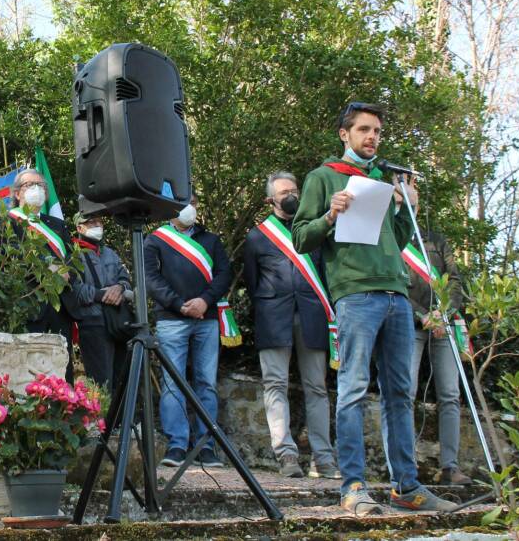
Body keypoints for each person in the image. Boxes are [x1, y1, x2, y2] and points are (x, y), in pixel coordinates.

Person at [291, 101, 456, 515]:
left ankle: (407, 487)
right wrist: (330, 214)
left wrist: (406, 208)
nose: (372, 137)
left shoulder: (383, 180)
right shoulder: (323, 176)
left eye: (378, 131)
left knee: (400, 392)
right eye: (364, 129)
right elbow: (300, 238)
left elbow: (397, 241)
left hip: (396, 294)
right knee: (352, 389)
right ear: (344, 134)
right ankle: (353, 486)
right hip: (355, 295)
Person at [243, 172, 338, 479]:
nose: (292, 196)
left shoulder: (314, 232)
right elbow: (252, 281)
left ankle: (323, 458)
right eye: (285, 191)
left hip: (312, 316)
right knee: (275, 385)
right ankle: (286, 455)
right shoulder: (257, 237)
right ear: (270, 199)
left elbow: (325, 274)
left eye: (294, 190)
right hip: (274, 319)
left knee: (317, 388)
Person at [145, 195, 231, 469]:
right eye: (183, 201)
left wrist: (205, 300)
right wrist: (178, 304)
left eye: (193, 200)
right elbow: (150, 279)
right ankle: (177, 444)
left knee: (206, 382)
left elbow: (223, 275)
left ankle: (206, 445)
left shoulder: (211, 240)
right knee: (173, 383)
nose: (188, 207)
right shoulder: (155, 240)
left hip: (206, 318)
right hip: (171, 319)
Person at [382, 230, 472, 486]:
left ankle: (450, 467)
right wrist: (423, 314)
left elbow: (454, 279)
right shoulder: (389, 236)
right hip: (409, 324)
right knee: (405, 393)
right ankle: (405, 467)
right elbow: (392, 283)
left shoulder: (436, 238)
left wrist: (444, 313)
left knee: (450, 395)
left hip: (444, 324)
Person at [5, 169, 77, 370]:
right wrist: (47, 269)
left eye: (41, 185)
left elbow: (73, 258)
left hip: (61, 305)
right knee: (30, 370)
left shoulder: (58, 225)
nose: (36, 189)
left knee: (63, 370)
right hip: (28, 304)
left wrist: (66, 272)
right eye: (30, 185)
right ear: (17, 193)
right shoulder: (7, 221)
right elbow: (10, 257)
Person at [72, 213, 133, 390]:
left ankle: (122, 418)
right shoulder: (73, 254)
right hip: (93, 324)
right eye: (91, 222)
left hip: (118, 322)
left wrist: (120, 289)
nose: (97, 225)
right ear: (80, 228)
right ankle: (102, 418)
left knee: (122, 382)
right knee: (101, 384)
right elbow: (75, 291)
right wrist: (103, 295)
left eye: (99, 221)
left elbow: (126, 281)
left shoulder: (110, 254)